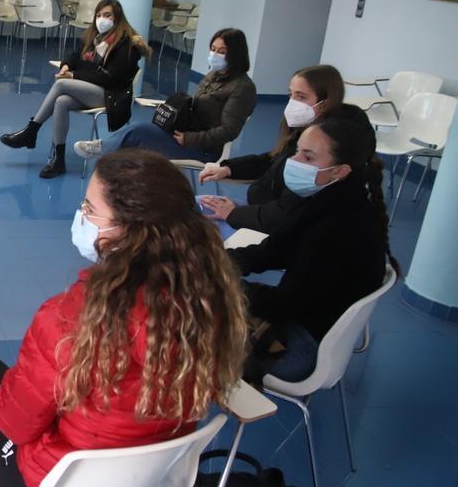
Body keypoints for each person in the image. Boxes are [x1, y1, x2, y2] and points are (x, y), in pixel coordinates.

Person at [0, 150, 248, 487]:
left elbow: (14, 426)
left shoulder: (71, 319)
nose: (81, 216)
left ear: (131, 232)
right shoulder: (208, 303)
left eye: (90, 209)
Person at [229, 108, 395, 381]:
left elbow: (282, 304)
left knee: (181, 319)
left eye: (308, 157)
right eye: (297, 151)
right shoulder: (331, 197)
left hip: (300, 348)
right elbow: (271, 251)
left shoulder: (340, 226)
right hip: (304, 323)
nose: (293, 162)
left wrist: (214, 282)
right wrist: (210, 261)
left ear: (340, 171)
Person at [0, 0, 149, 178]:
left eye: (107, 15)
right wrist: (66, 66)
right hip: (92, 90)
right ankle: (58, 160)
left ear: (117, 18)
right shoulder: (95, 38)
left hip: (111, 96)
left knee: (62, 83)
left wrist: (74, 75)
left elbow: (110, 79)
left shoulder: (126, 45)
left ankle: (31, 131)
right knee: (62, 101)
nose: (102, 19)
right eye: (99, 15)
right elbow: (75, 56)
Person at [72, 28, 255, 164]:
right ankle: (111, 163)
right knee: (136, 141)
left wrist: (189, 139)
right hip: (185, 132)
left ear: (236, 55)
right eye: (213, 49)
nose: (214, 55)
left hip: (202, 148)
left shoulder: (242, 88)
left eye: (221, 52)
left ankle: (101, 150)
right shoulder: (214, 76)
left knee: (139, 131)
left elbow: (229, 131)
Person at [198, 65, 345, 232]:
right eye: (291, 95)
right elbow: (273, 160)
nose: (292, 103)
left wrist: (233, 214)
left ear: (324, 105)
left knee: (195, 221)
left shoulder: (321, 150)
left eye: (301, 97)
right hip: (261, 214)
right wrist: (229, 168)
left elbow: (286, 214)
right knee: (197, 206)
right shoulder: (303, 134)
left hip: (268, 227)